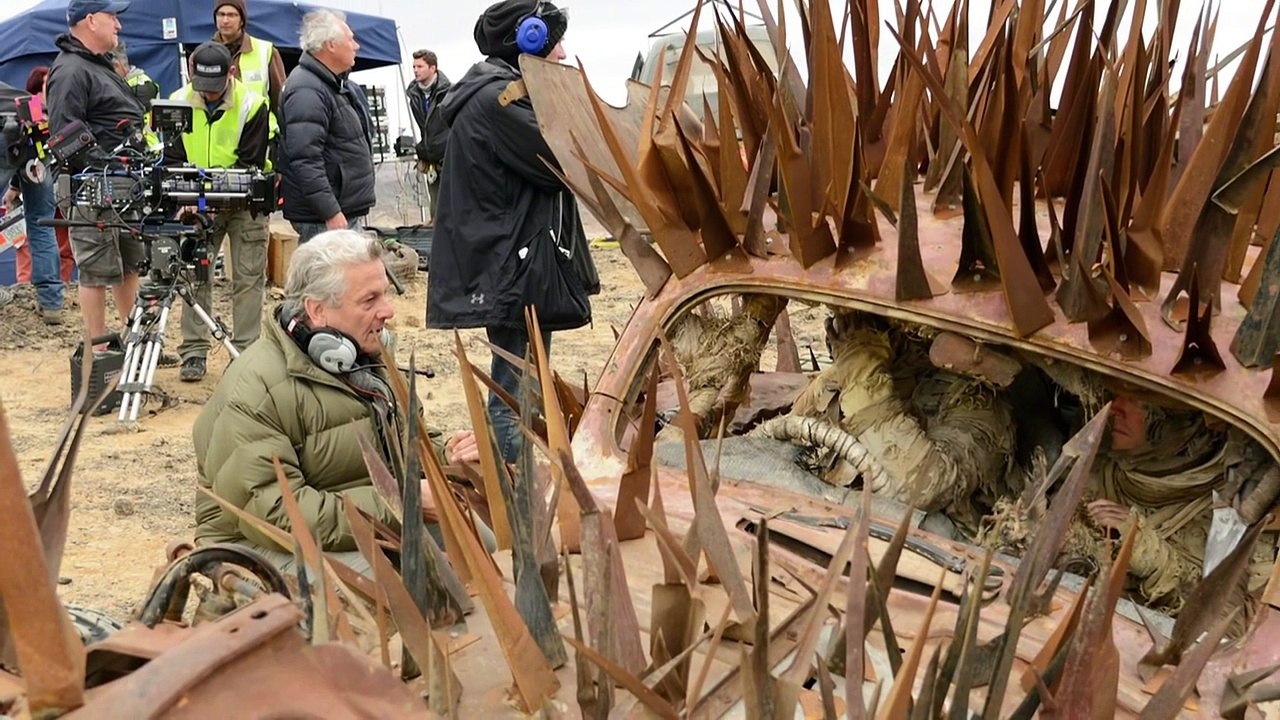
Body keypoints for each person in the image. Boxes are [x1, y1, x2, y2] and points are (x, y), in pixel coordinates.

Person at [193, 230, 485, 570]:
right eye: (369, 300)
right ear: (317, 311)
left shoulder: (367, 356)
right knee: (396, 595)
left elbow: (408, 440)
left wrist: (447, 452)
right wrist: (399, 505)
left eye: (385, 296)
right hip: (256, 543)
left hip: (358, 519)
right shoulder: (257, 388)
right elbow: (273, 513)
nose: (388, 311)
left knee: (484, 549)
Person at [428, 0, 600, 463]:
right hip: (512, 268)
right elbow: (564, 161)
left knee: (521, 379)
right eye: (555, 43)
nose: (562, 54)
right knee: (514, 390)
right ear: (526, 42)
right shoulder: (498, 101)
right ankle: (512, 495)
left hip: (513, 262)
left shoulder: (498, 94)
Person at [1070, 392, 1278, 622]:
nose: (1115, 408)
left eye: (1136, 400)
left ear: (1177, 421)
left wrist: (1142, 546)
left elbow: (1227, 624)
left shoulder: (1236, 512)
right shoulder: (1094, 471)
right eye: (1117, 395)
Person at [45, 0, 155, 344]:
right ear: (91, 20)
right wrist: (105, 162)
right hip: (91, 188)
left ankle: (133, 337)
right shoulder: (71, 69)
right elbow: (63, 133)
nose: (118, 25)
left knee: (129, 266)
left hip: (121, 186)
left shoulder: (97, 65)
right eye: (112, 17)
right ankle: (100, 348)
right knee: (94, 271)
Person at [165, 42, 271, 382]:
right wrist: (185, 199)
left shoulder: (253, 105)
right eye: (202, 88)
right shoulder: (178, 102)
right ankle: (194, 351)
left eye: (215, 88)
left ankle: (245, 353)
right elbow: (171, 157)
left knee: (248, 277)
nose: (208, 96)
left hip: (244, 204)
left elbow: (250, 162)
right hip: (195, 203)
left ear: (232, 73)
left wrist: (211, 198)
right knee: (196, 276)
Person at [279, 9, 374, 243]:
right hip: (324, 220)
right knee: (327, 279)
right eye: (350, 39)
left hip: (339, 212)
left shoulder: (337, 85)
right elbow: (305, 158)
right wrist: (330, 211)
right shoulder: (306, 89)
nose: (356, 46)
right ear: (331, 45)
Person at [3, 66, 63, 325]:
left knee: (40, 220)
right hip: (33, 136)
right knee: (42, 222)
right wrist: (16, 184)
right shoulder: (10, 92)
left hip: (15, 138)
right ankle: (51, 303)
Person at [405, 49, 451, 223]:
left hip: (449, 155)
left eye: (420, 66)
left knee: (454, 202)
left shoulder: (449, 92)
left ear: (433, 68)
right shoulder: (414, 95)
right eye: (414, 66)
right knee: (436, 208)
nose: (415, 70)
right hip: (430, 157)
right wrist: (424, 149)